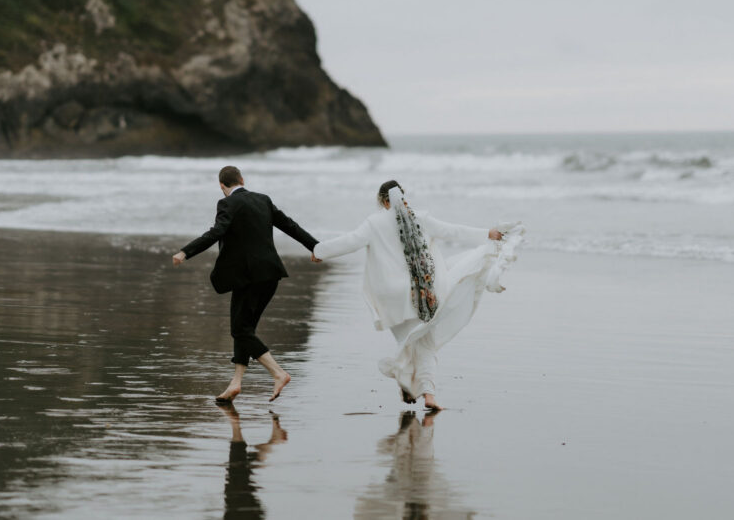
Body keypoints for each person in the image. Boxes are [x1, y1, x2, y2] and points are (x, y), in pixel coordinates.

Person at [312, 180, 525, 410]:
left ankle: (408, 384)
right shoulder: (420, 217)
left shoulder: (373, 223)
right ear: (402, 198)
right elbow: (452, 230)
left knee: (410, 341)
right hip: (423, 293)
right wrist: (487, 233)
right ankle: (427, 394)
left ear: (384, 202)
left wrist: (319, 251)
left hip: (392, 297)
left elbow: (350, 242)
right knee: (425, 342)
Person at [173, 165, 319, 403]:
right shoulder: (263, 199)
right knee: (244, 329)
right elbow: (290, 226)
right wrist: (315, 247)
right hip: (270, 275)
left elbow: (216, 232)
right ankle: (236, 383)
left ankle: (278, 373)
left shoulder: (227, 204)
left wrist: (185, 252)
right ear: (242, 179)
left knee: (240, 330)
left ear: (222, 187)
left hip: (247, 279)